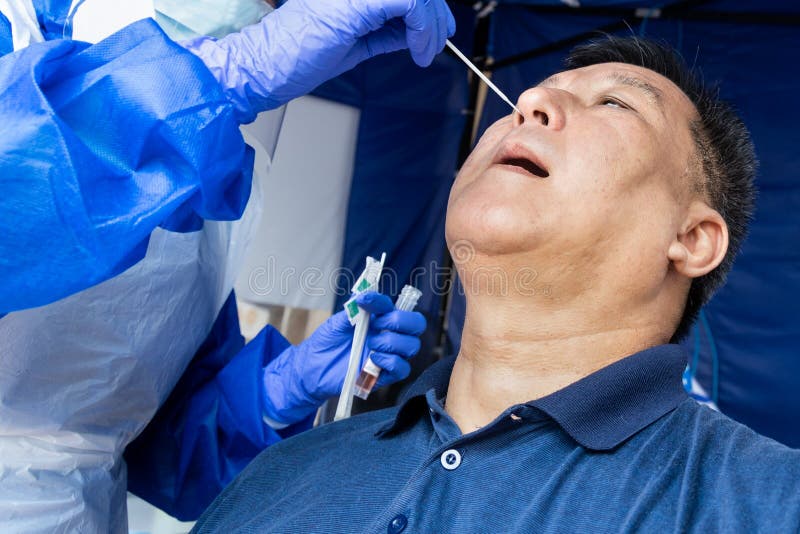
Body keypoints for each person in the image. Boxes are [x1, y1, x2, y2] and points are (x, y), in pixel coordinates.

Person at [191, 36, 800, 533]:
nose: (530, 100)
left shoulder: (766, 502)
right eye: (537, 93)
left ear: (692, 239)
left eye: (615, 103)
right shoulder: (280, 476)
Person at [0, 0, 451, 532]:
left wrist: (277, 395)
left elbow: (156, 448)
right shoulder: (20, 30)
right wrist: (215, 79)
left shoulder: (206, 171)